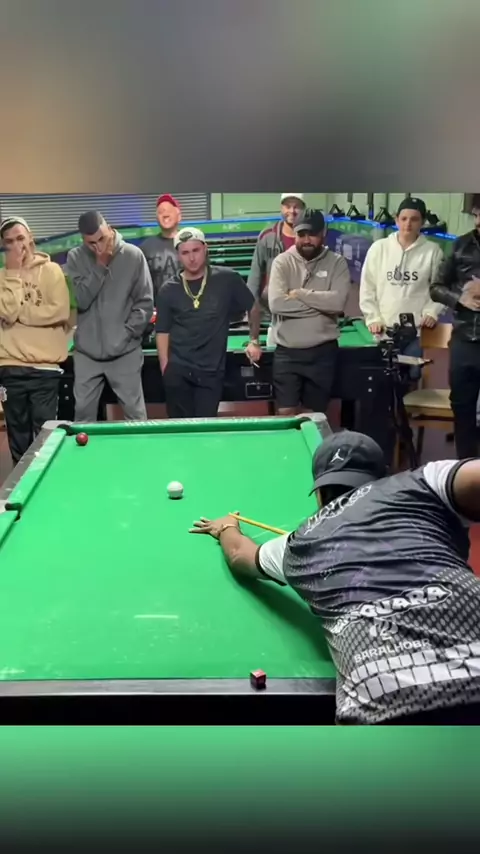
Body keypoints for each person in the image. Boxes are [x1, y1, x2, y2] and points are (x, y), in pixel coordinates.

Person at [191, 429, 480, 725]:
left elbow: (240, 555)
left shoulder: (299, 544)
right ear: (385, 476)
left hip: (383, 717)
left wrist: (226, 526)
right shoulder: (421, 482)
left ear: (319, 494)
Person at [155, 227, 254, 418]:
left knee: (206, 426)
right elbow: (162, 330)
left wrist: (254, 339)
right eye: (185, 253)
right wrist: (165, 367)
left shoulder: (227, 279)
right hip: (178, 371)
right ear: (178, 255)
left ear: (205, 249)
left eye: (196, 250)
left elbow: (253, 306)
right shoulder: (168, 289)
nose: (192, 258)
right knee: (180, 429)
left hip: (211, 372)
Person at [66, 211, 154, 422]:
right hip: (87, 354)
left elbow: (145, 303)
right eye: (91, 243)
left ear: (110, 229)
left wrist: (127, 334)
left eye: (102, 239)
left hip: (125, 352)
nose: (98, 247)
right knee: (83, 416)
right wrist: (100, 265)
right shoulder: (75, 257)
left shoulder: (133, 255)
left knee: (135, 416)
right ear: (83, 240)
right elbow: (80, 300)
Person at [0, 216, 71, 464]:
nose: (16, 245)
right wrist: (12, 273)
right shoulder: (2, 277)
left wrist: (22, 315)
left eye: (20, 238)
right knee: (18, 437)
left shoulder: (51, 270)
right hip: (10, 367)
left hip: (44, 368)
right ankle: (21, 485)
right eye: (9, 242)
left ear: (31, 238)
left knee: (45, 436)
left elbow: (59, 311)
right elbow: (7, 311)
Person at [267, 209, 351, 416]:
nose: (306, 240)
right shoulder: (282, 262)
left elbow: (338, 303)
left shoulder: (337, 262)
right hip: (287, 353)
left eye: (312, 234)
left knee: (314, 417)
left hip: (322, 353)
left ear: (323, 233)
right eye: (301, 234)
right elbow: (276, 304)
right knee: (285, 415)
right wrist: (321, 306)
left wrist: (300, 294)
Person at [360, 197, 444, 366]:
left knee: (412, 374)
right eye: (404, 218)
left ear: (422, 222)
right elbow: (368, 287)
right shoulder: (379, 248)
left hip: (416, 332)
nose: (408, 224)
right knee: (382, 374)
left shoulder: (433, 251)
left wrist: (432, 312)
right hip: (383, 330)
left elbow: (441, 288)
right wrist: (373, 318)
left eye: (414, 219)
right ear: (396, 220)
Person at [430, 194, 480, 459]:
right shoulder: (459, 246)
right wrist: (460, 298)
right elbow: (436, 288)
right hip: (464, 341)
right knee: (462, 408)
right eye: (478, 214)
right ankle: (466, 467)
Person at [246, 193, 306, 364]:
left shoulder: (310, 238)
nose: (292, 211)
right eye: (288, 206)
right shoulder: (267, 237)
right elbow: (254, 283)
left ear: (304, 209)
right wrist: (253, 339)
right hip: (276, 322)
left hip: (306, 323)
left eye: (297, 206)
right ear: (281, 207)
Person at [141, 194, 182, 300]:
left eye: (169, 210)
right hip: (157, 308)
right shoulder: (145, 248)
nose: (164, 214)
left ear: (179, 216)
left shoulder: (190, 244)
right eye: (160, 212)